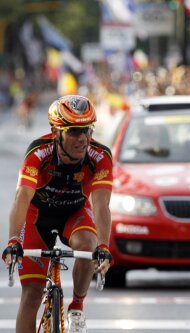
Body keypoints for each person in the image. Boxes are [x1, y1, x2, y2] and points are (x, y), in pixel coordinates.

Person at [2, 95, 114, 333]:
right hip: (37, 217)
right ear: (56, 132)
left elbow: (102, 205)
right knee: (32, 294)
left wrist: (104, 246)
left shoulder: (100, 156)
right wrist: (13, 240)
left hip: (74, 213)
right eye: (73, 131)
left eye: (86, 130)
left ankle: (77, 307)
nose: (82, 138)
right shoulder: (38, 153)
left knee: (87, 246)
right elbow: (22, 197)